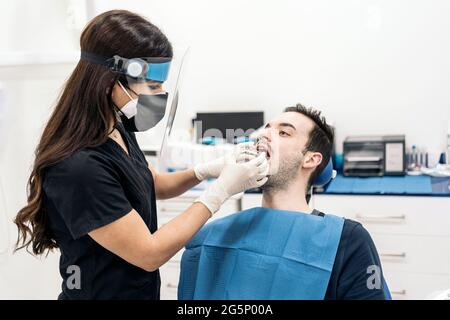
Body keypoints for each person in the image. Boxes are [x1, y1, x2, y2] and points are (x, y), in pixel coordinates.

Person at [13, 10, 268, 300]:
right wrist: (219, 192)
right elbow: (149, 253)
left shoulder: (115, 127)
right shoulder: (78, 167)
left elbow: (150, 182)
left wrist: (207, 170)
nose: (158, 96)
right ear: (111, 82)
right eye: (153, 86)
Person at [178, 104, 390, 300]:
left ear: (311, 159)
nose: (263, 136)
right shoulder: (208, 236)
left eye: (283, 133)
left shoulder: (347, 241)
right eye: (265, 129)